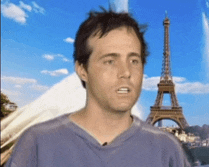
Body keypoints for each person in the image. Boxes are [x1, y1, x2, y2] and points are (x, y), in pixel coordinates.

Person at [5, 9, 191, 167]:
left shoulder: (168, 149)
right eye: (110, 61)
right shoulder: (36, 142)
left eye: (134, 61)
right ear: (82, 70)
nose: (126, 72)